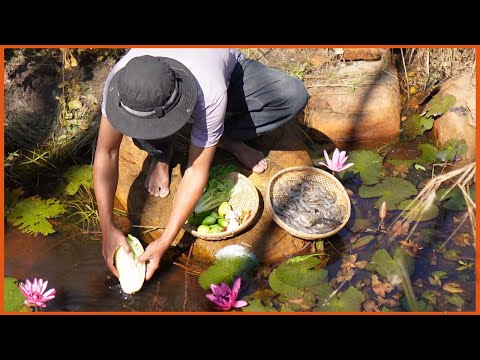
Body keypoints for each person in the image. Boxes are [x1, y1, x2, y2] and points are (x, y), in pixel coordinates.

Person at [93, 48, 309, 281]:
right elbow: (107, 152)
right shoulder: (121, 84)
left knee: (293, 94)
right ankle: (161, 152)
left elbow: (196, 170)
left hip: (224, 71)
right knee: (144, 123)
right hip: (162, 99)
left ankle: (223, 137)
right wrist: (107, 227)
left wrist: (165, 240)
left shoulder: (209, 89)